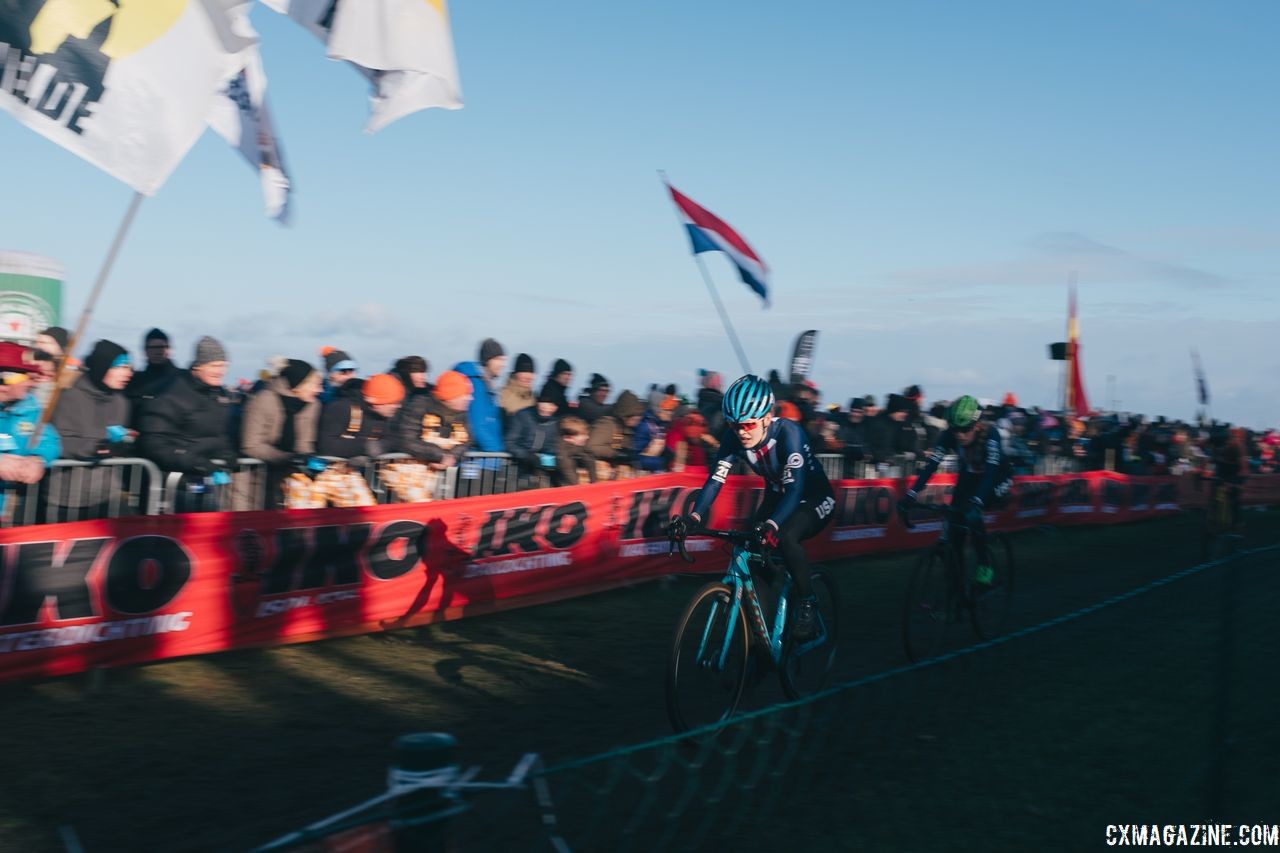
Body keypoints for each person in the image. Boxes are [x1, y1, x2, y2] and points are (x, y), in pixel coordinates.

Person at [677, 374, 835, 641]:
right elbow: (716, 480)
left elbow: (795, 490)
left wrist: (772, 525)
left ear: (765, 418)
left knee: (785, 537)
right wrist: (693, 516)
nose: (741, 432)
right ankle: (764, 642)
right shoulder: (734, 438)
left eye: (748, 424)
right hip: (777, 496)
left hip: (812, 497)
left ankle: (808, 604)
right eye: (734, 424)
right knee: (749, 551)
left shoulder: (789, 434)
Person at [897, 395, 1013, 590]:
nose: (960, 434)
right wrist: (911, 494)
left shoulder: (991, 435)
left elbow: (991, 472)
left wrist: (977, 502)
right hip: (971, 476)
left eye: (965, 429)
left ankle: (985, 568)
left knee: (973, 515)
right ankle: (957, 587)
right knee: (955, 530)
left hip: (997, 477)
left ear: (977, 425)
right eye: (955, 429)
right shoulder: (950, 435)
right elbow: (931, 465)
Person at [0, 341, 62, 520]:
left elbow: (50, 439)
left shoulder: (32, 409)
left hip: (13, 512)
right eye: (24, 375)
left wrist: (39, 458)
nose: (30, 381)